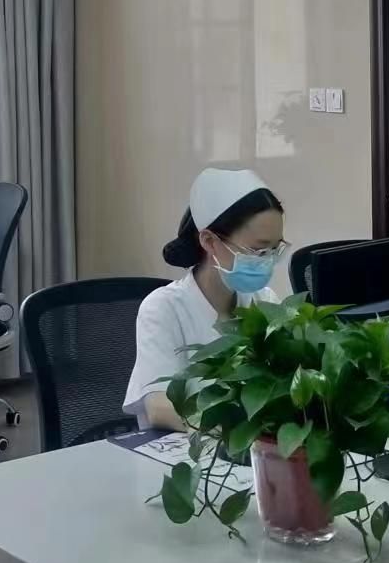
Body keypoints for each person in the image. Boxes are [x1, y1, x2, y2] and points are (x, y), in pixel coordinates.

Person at [123, 168, 287, 432]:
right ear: (210, 241)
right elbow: (158, 407)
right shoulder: (164, 307)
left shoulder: (264, 300)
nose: (267, 261)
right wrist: (234, 430)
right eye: (257, 250)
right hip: (186, 449)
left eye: (274, 250)